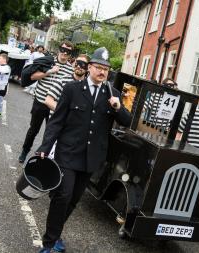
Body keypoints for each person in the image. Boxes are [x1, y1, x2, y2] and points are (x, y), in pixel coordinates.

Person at [35, 47, 131, 253]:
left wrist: (118, 107)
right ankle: (49, 243)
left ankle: (56, 232)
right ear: (89, 68)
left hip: (91, 159)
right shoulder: (72, 89)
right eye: (98, 67)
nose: (102, 72)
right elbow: (57, 122)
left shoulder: (112, 94)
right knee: (62, 196)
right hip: (67, 153)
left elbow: (126, 121)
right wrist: (45, 147)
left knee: (73, 200)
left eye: (106, 68)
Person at [18, 41, 74, 163]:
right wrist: (49, 71)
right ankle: (25, 151)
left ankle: (41, 158)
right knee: (33, 129)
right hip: (40, 101)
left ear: (70, 54)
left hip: (55, 106)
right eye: (62, 49)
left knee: (50, 134)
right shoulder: (48, 61)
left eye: (68, 51)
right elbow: (32, 77)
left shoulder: (71, 70)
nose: (64, 53)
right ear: (59, 49)